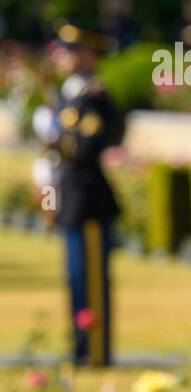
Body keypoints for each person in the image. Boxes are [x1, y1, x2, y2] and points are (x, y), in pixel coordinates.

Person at [32, 21, 125, 367]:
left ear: (88, 55)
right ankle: (80, 346)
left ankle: (96, 350)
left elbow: (86, 147)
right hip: (71, 199)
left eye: (70, 51)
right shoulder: (69, 94)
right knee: (75, 279)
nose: (63, 56)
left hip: (89, 199)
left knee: (91, 280)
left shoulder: (93, 95)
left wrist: (56, 136)